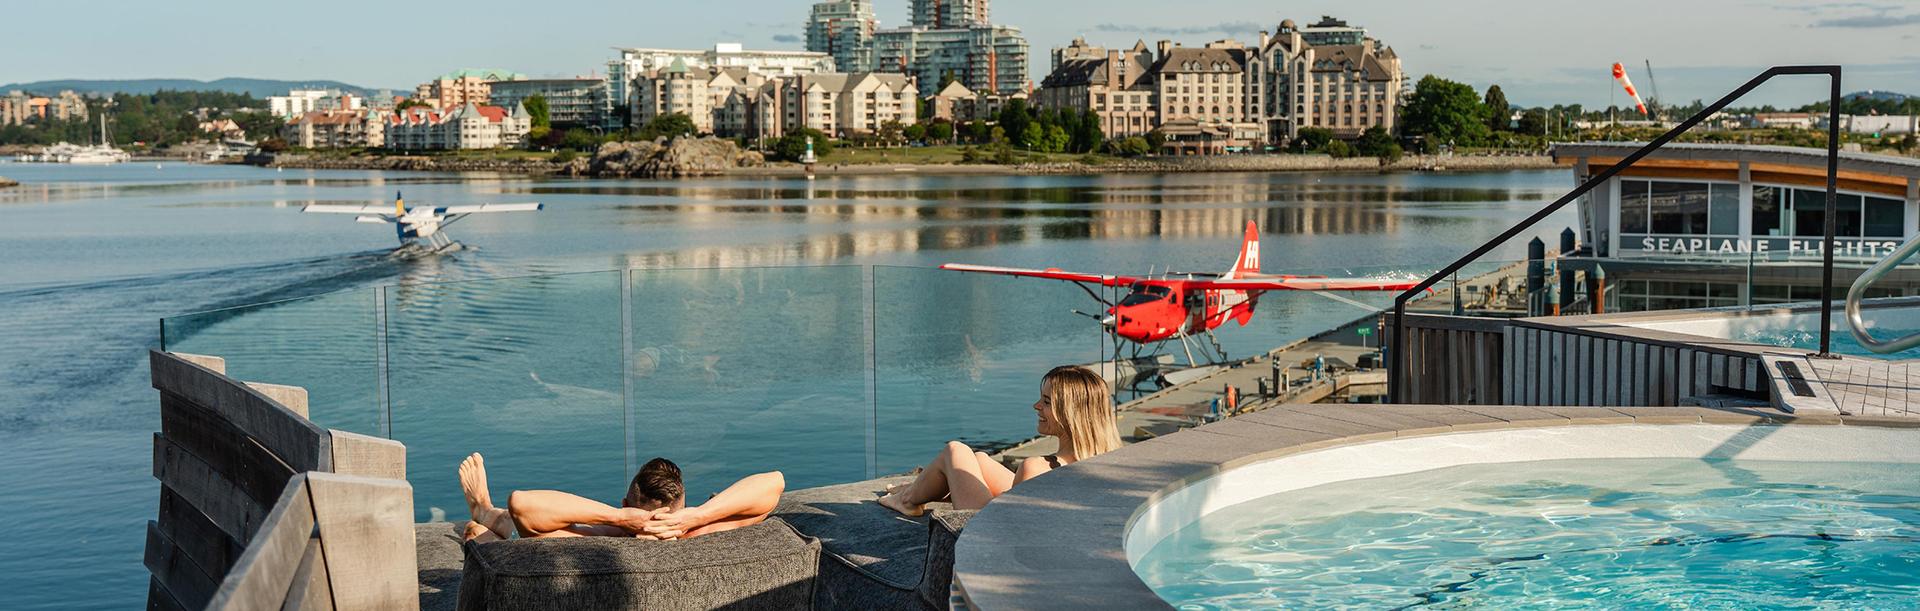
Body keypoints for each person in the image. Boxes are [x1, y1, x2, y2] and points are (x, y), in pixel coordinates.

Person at [877, 366, 1121, 516]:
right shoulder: (1112, 460)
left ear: (1071, 414)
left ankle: (907, 500)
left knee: (956, 450)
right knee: (980, 460)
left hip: (985, 532)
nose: (1036, 406)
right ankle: (918, 488)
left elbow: (1010, 528)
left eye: (1046, 402)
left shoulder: (1035, 468)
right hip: (1048, 523)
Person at [457, 453, 784, 542]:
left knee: (505, 531)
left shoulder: (603, 537)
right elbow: (774, 483)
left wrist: (615, 518)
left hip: (525, 539)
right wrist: (699, 516)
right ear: (682, 505)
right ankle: (484, 516)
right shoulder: (704, 532)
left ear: (626, 505)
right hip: (690, 519)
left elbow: (523, 503)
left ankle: (484, 512)